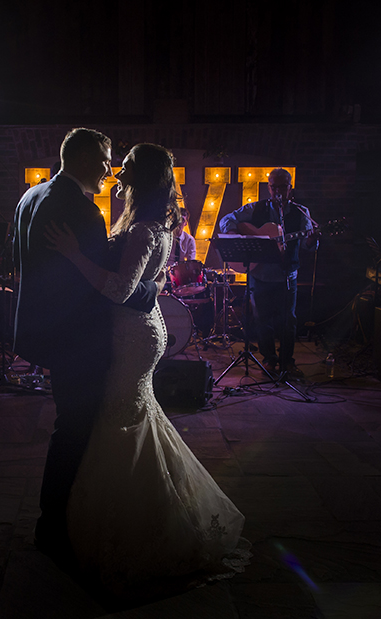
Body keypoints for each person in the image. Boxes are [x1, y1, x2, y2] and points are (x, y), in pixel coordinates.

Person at [44, 143, 248, 598]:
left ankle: (133, 524)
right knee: (134, 419)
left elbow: (119, 290)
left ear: (145, 174)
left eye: (129, 162)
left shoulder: (141, 230)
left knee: (119, 421)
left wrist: (75, 254)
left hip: (132, 334)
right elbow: (150, 281)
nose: (120, 166)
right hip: (143, 329)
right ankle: (147, 512)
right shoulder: (155, 222)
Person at [12, 129, 161, 567]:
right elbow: (105, 288)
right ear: (78, 158)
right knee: (73, 431)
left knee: (72, 426)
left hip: (43, 330)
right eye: (103, 160)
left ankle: (62, 520)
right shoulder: (82, 210)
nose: (108, 169)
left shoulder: (32, 195)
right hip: (75, 338)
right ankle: (53, 529)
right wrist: (150, 289)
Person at [218, 168, 319, 377]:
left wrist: (311, 239)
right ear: (269, 187)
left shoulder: (301, 212)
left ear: (290, 188)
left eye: (282, 186)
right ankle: (269, 360)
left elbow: (310, 246)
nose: (277, 191)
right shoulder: (255, 208)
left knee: (288, 320)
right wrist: (236, 234)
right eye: (273, 187)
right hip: (260, 274)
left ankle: (286, 361)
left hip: (286, 275)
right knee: (262, 320)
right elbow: (226, 219)